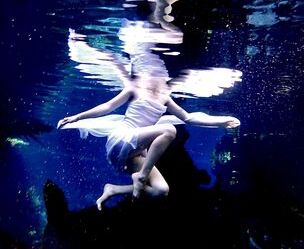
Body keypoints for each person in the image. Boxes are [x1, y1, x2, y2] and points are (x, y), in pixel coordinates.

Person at [57, 73, 240, 210]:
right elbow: (107, 106)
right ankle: (142, 176)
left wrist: (220, 122)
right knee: (169, 130)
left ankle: (113, 189)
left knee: (161, 191)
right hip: (122, 139)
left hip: (135, 151)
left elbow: (189, 118)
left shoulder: (166, 99)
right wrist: (77, 117)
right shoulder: (134, 89)